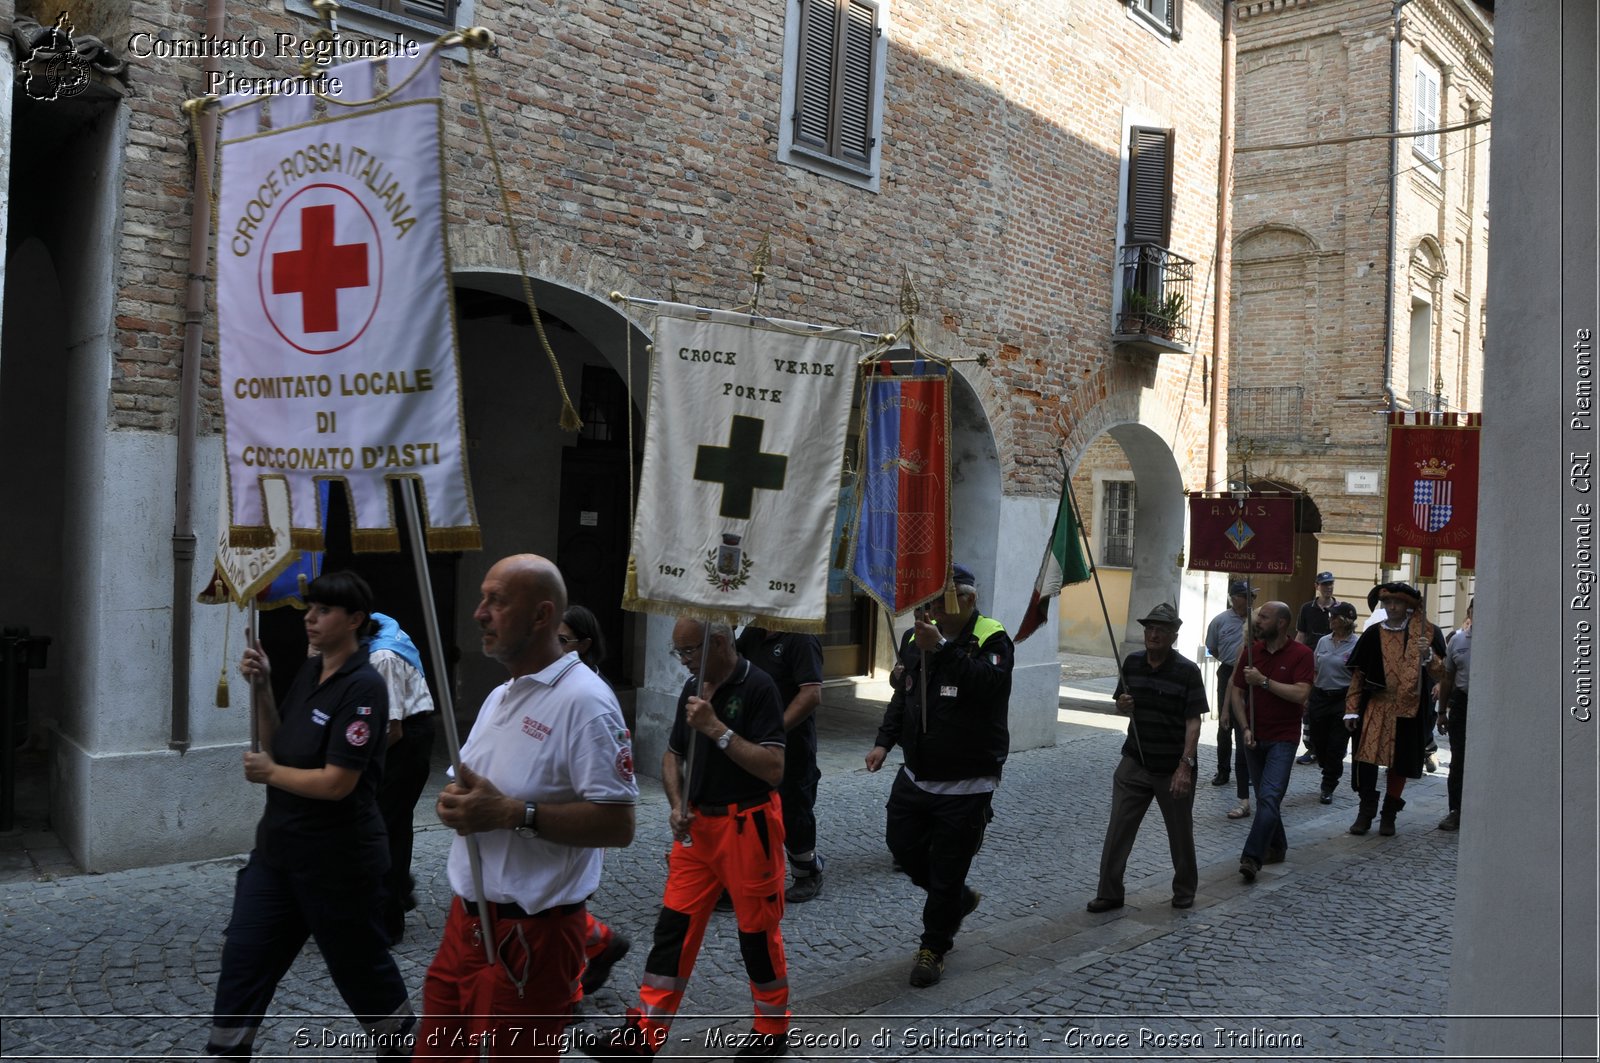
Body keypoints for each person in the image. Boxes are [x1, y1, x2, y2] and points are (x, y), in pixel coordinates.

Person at [416, 555, 638, 1061]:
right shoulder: (500, 696)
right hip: (465, 926)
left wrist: (516, 814)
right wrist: (456, 805)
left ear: (541, 616)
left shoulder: (587, 703)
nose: (479, 613)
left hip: (532, 940)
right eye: (482, 598)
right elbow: (468, 790)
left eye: (497, 601)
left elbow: (618, 823)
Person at [206, 571, 415, 1060]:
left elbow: (336, 783)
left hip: (337, 863)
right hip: (279, 854)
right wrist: (261, 688)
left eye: (323, 610)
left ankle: (403, 1047)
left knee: (361, 971)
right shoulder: (311, 670)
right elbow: (279, 742)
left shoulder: (364, 687)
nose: (310, 618)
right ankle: (226, 1053)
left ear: (355, 620)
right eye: (310, 608)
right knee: (244, 958)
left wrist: (270, 774)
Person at [586, 618, 789, 1061]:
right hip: (698, 830)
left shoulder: (760, 687)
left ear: (718, 643)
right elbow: (672, 755)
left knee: (757, 934)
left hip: (748, 826)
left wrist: (716, 728)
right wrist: (676, 804)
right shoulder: (692, 688)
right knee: (673, 930)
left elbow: (773, 769)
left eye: (689, 652)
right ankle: (644, 1034)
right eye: (678, 654)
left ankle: (771, 1030)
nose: (683, 663)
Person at [865, 563, 1013, 988]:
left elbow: (989, 684)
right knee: (902, 847)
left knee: (947, 868)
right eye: (929, 603)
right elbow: (904, 693)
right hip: (916, 774)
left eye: (942, 603)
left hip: (967, 781)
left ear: (968, 600)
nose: (933, 611)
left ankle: (933, 946)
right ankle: (956, 899)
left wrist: (945, 647)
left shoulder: (991, 636)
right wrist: (883, 741)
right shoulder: (916, 636)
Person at [1085, 603, 1205, 913]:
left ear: (1173, 636)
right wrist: (1123, 704)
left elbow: (1194, 721)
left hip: (1172, 764)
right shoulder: (1133, 663)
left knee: (1180, 833)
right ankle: (1109, 892)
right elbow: (1121, 704)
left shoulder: (1187, 671)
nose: (1153, 634)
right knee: (1118, 830)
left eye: (1161, 630)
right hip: (1135, 759)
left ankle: (1184, 889)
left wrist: (1185, 766)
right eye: (1150, 628)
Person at [559, 604, 634, 996]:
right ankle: (602, 941)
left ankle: (570, 992)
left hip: (577, 814)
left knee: (563, 903)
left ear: (584, 645)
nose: (552, 647)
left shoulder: (590, 696)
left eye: (562, 640)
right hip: (551, 814)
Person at [1342, 582, 1446, 837]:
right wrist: (1352, 708)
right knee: (1365, 760)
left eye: (1396, 603)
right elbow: (1359, 675)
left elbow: (1441, 673)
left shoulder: (1426, 634)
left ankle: (1389, 814)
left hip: (1407, 708)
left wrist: (1429, 656)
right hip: (1376, 706)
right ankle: (1365, 812)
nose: (1391, 607)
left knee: (1399, 763)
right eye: (1387, 603)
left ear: (1409, 606)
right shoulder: (1373, 633)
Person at [736, 625, 826, 902]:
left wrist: (775, 729)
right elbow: (732, 666)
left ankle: (806, 871)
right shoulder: (752, 634)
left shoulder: (801, 637)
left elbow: (811, 694)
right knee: (747, 806)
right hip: (753, 740)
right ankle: (741, 875)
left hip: (792, 743)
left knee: (793, 807)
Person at [1229, 601, 1314, 882]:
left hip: (1283, 739)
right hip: (1254, 736)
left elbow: (1301, 694)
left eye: (1264, 617)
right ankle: (1277, 846)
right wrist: (1244, 727)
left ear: (1281, 623)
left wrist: (1264, 681)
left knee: (1269, 796)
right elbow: (1237, 693)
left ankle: (1252, 857)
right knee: (1266, 798)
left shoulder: (1302, 654)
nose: (1258, 621)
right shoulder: (1251, 653)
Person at [367, 610, 436, 945]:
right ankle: (398, 890)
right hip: (402, 733)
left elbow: (391, 730)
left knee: (386, 826)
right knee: (386, 822)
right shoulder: (380, 636)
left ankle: (388, 918)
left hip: (405, 738)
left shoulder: (381, 655)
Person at [1205, 580, 1255, 816]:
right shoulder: (1220, 621)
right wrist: (1229, 663)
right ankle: (1223, 770)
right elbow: (1211, 648)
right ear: (1234, 598)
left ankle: (1249, 770)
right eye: (1246, 596)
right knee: (1225, 726)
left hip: (1252, 673)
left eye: (1251, 596)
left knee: (1247, 724)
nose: (1250, 600)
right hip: (1228, 670)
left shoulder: (1258, 619)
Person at [1305, 602, 1360, 804]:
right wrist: (1308, 695)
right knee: (1317, 742)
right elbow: (1315, 669)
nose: (1330, 620)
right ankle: (1328, 763)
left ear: (1344, 621)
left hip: (1343, 698)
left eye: (1334, 617)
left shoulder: (1356, 644)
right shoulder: (1323, 642)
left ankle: (1328, 784)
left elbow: (1358, 676)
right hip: (1320, 696)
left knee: (1336, 745)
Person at [1433, 598, 1473, 831]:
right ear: (1469, 611)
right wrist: (1441, 712)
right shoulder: (1458, 640)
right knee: (1458, 760)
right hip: (1463, 702)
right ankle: (1455, 810)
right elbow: (1447, 678)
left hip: (1490, 704)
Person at [1293, 572, 1339, 764]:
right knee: (1308, 707)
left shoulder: (1339, 609)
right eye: (1325, 584)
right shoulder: (1307, 609)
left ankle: (1328, 747)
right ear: (1317, 586)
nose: (1328, 587)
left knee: (1327, 707)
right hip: (1310, 663)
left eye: (1331, 584)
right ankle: (1311, 748)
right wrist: (1294, 660)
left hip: (1331, 665)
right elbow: (1301, 636)